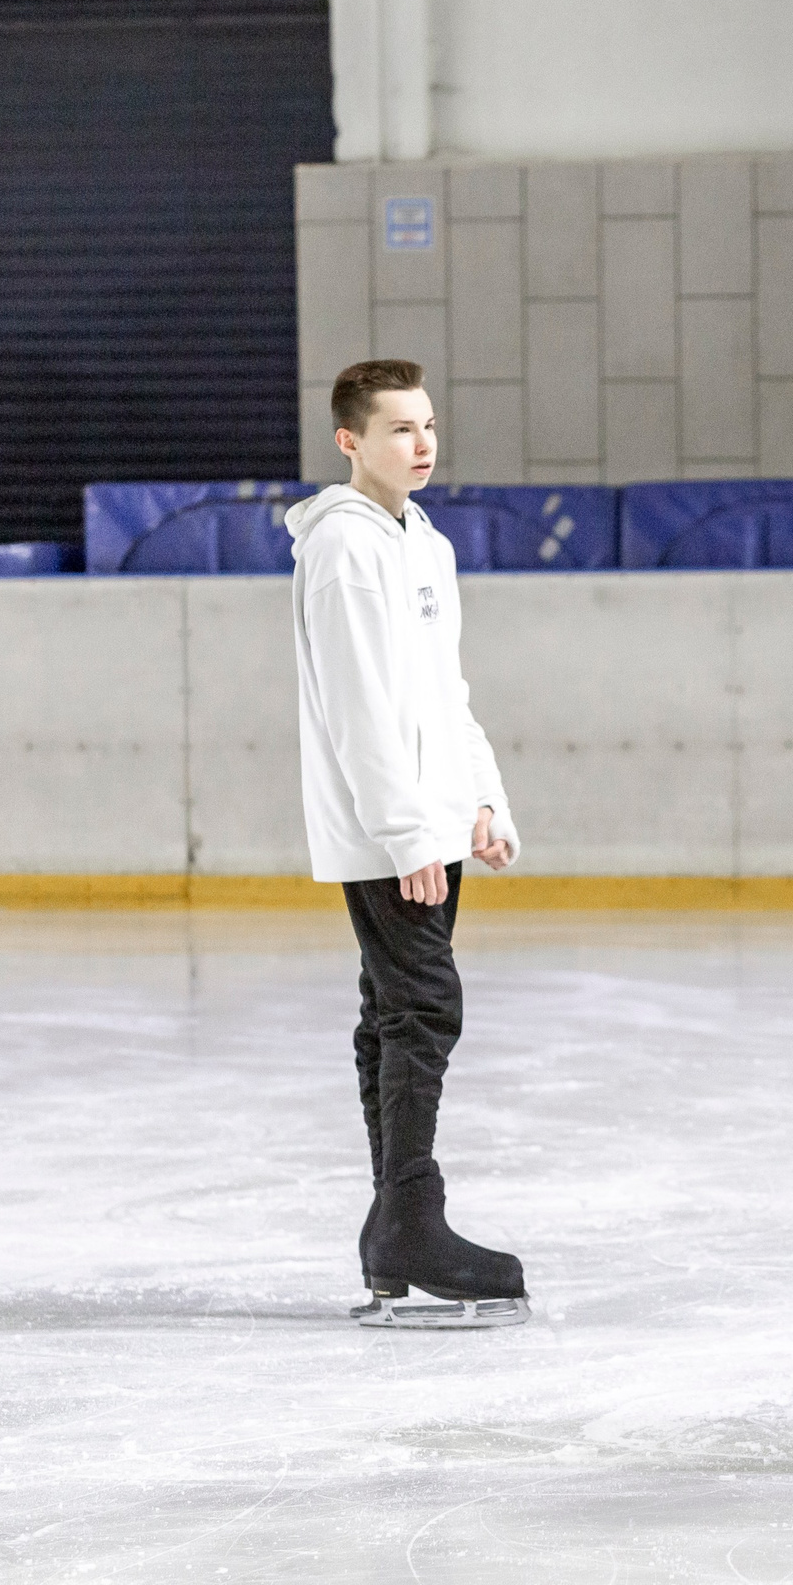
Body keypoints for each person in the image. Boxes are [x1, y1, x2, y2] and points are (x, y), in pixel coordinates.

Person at [285, 359, 527, 1330]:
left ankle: (395, 1224)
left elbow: (442, 692)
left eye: (427, 425)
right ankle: (411, 1221)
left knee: (394, 1009)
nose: (421, 444)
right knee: (422, 1004)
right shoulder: (344, 549)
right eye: (397, 429)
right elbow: (359, 710)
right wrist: (398, 832)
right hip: (390, 829)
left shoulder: (422, 541)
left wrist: (481, 799)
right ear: (350, 439)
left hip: (430, 820)